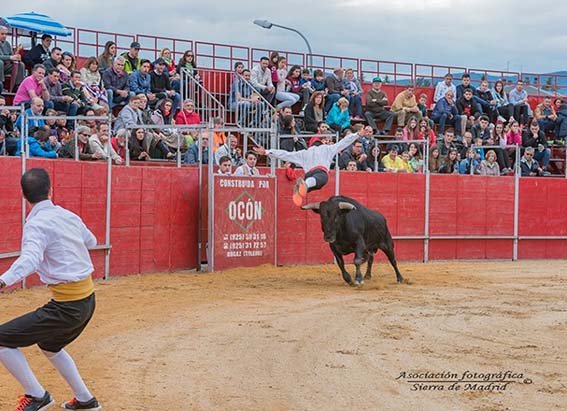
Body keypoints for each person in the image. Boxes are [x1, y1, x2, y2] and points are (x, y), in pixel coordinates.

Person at [0, 168, 101, 411]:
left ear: (24, 196)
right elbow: (92, 241)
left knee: (1, 339)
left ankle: (37, 395)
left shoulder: (36, 224)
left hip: (66, 307)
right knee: (50, 346)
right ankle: (85, 400)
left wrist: (2, 281)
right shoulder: (68, 216)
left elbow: (30, 259)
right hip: (87, 300)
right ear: (51, 190)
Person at [254, 126, 370, 206]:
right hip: (320, 172)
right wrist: (356, 135)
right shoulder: (327, 149)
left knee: (309, 186)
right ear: (322, 142)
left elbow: (285, 154)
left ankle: (303, 186)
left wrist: (267, 152)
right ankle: (305, 185)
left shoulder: (304, 153)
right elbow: (343, 143)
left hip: (308, 174)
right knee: (321, 180)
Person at [0, 25, 25, 93]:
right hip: (1, 65)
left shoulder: (7, 43)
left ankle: (17, 86)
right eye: (2, 34)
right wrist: (10, 58)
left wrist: (16, 56)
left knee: (21, 64)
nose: (4, 36)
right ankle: (1, 84)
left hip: (7, 66)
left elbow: (12, 56)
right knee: (0, 62)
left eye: (5, 34)